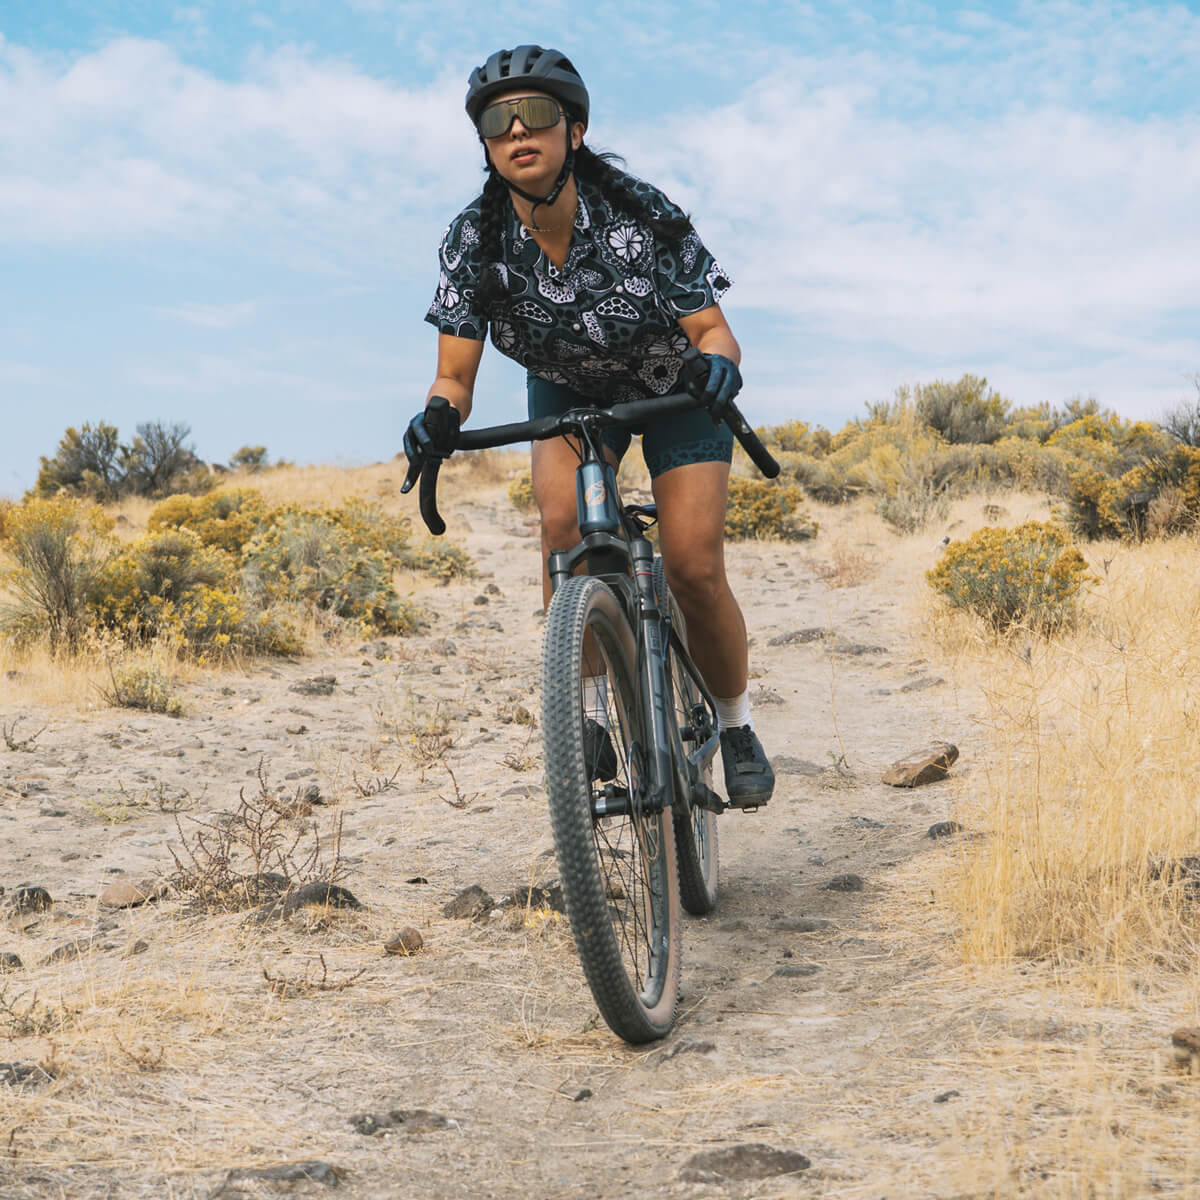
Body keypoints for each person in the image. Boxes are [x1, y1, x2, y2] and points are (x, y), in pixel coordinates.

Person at [402, 44, 774, 808]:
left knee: (694, 568)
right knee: (562, 526)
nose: (516, 132)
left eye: (535, 115)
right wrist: (438, 413)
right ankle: (596, 715)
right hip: (568, 388)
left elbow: (713, 330)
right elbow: (455, 375)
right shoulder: (474, 242)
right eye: (497, 124)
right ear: (485, 145)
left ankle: (735, 726)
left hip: (673, 385)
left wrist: (719, 366)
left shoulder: (639, 215)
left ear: (573, 130)